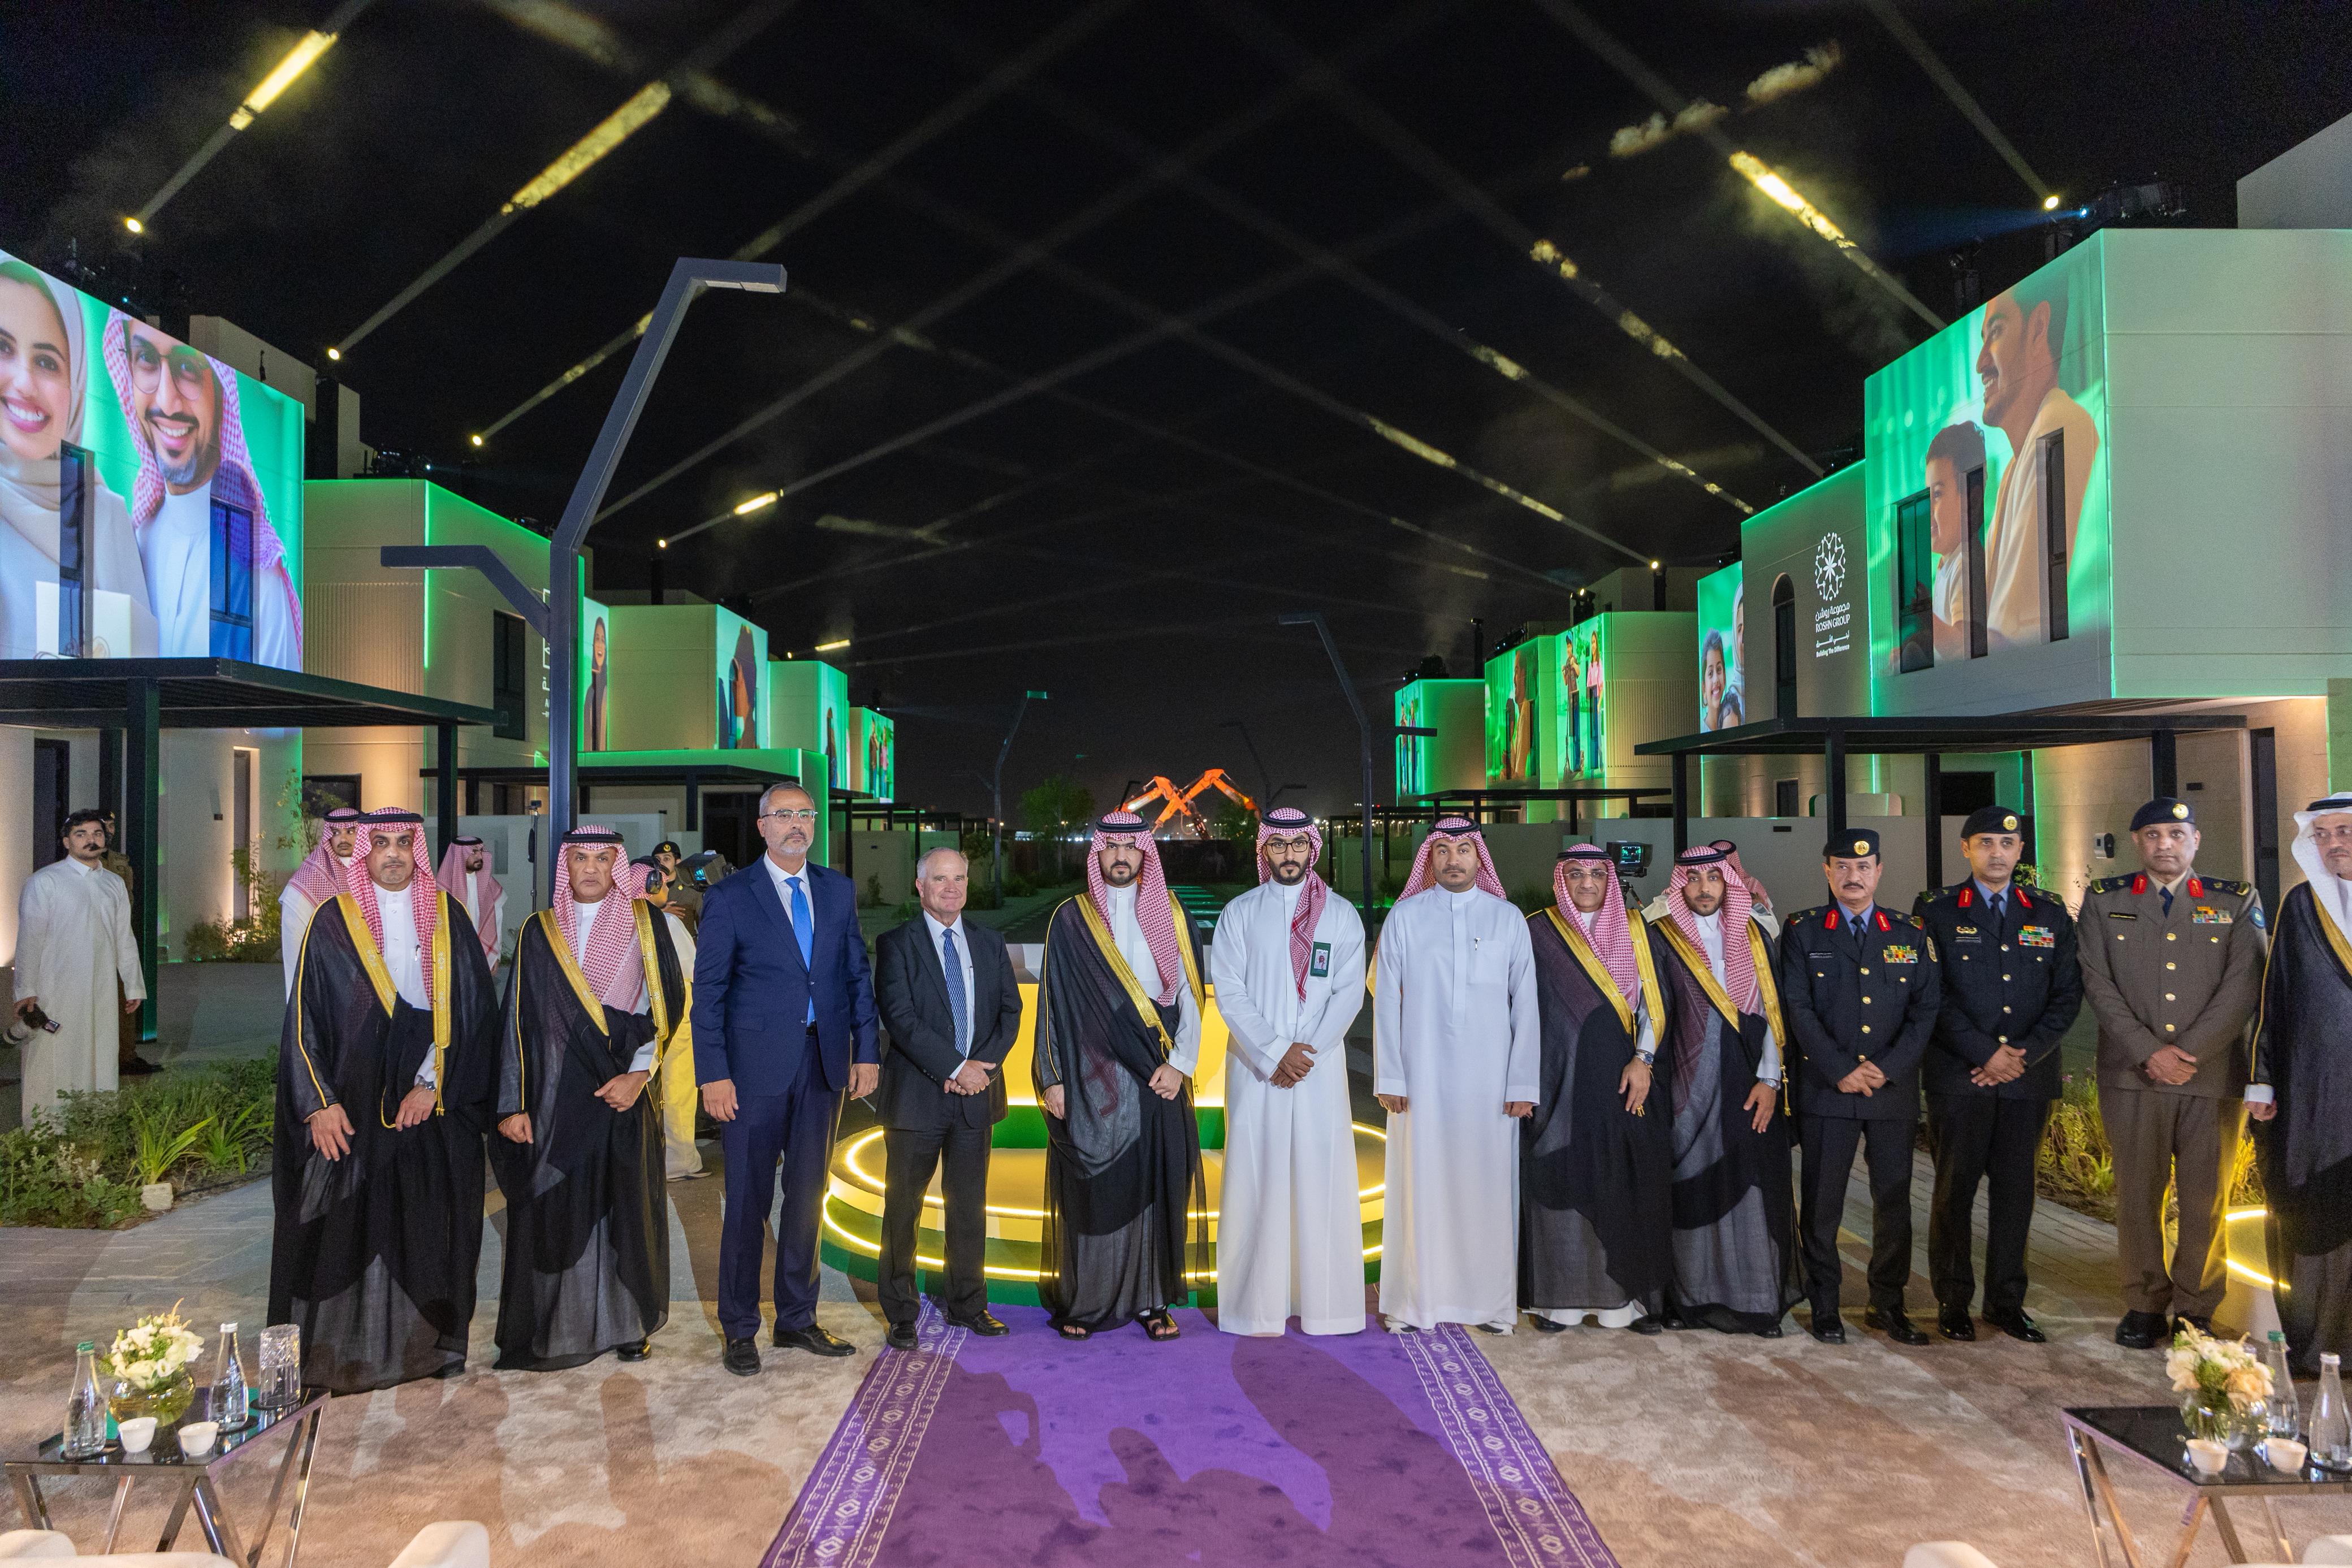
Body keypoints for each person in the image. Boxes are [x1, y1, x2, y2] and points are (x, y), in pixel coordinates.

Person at [268, 809, 498, 1394]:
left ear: (416, 849)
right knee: (339, 1225)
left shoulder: (448, 916)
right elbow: (303, 1018)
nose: (393, 853)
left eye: (403, 842)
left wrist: (432, 1083)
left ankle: (430, 1345)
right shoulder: (331, 918)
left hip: (429, 1100)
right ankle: (338, 1351)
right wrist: (318, 1102)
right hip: (351, 1101)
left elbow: (474, 1012)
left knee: (430, 1223)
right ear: (363, 852)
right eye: (381, 843)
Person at [692, 780, 878, 1376]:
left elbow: (856, 976)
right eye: (784, 815)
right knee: (747, 1202)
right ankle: (739, 1327)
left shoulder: (836, 889)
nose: (796, 824)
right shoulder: (730, 897)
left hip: (822, 1064)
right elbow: (709, 993)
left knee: (805, 1199)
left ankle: (797, 1318)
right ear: (762, 825)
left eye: (805, 814)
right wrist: (713, 1074)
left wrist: (867, 1052)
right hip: (750, 1074)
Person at [491, 828, 688, 1370]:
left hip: (622, 1090)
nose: (592, 869)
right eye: (581, 858)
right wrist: (512, 1104)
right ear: (566, 866)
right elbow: (516, 1019)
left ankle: (628, 1325)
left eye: (603, 858)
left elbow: (666, 1005)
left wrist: (639, 1076)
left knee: (625, 1210)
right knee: (556, 1209)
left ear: (616, 865)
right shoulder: (540, 930)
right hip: (554, 1096)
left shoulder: (646, 923)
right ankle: (555, 1322)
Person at [2079, 798, 2265, 1349]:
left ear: (2195, 840)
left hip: (2210, 1075)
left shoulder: (2234, 900)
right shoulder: (2104, 900)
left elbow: (2244, 984)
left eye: (2176, 834)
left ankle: (2195, 1307)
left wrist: (2186, 1052)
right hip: (2133, 1075)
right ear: (2137, 841)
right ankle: (2143, 1303)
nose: (2165, 843)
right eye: (2153, 834)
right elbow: (2096, 982)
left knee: (2206, 1198)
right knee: (2138, 1195)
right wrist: (2148, 1051)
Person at [1034, 812, 1208, 1341]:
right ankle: (1087, 1302)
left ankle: (1153, 1302)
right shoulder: (1071, 918)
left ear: (1145, 853)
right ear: (1098, 853)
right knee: (1097, 1189)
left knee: (1157, 1184)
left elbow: (1191, 996)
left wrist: (1180, 1066)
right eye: (1111, 847)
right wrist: (1053, 1078)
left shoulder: (1172, 913)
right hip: (1091, 1077)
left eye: (1131, 848)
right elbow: (1051, 1002)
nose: (1121, 857)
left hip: (1158, 1071)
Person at [1913, 807, 2080, 1342]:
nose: (1997, 853)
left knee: (2016, 1196)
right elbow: (1931, 992)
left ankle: (2007, 1303)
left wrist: (2019, 1056)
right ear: (1966, 849)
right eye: (1985, 843)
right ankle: (1953, 1301)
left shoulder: (2048, 912)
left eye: (2007, 844)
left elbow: (2067, 994)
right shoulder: (1937, 910)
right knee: (1953, 1193)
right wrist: (1985, 1054)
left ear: (2020, 850)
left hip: (2027, 1080)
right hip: (1960, 1076)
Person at [1373, 817, 1538, 1333]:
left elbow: (1526, 1005)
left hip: (1491, 1083)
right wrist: (1391, 1076)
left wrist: (1522, 1084)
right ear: (1430, 858)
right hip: (1420, 1078)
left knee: (1487, 1190)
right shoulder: (1405, 917)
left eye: (1464, 849)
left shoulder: (1507, 919)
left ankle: (1489, 1305)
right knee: (1419, 1185)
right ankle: (1414, 1303)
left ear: (1478, 858)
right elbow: (1385, 1001)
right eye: (1442, 850)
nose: (1453, 860)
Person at [1210, 807, 1368, 1337]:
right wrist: (1277, 1051)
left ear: (1312, 848)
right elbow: (1229, 992)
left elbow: (1348, 995)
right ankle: (1255, 1308)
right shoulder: (1240, 913)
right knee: (1257, 1180)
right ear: (1264, 851)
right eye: (1278, 845)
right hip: (1257, 1070)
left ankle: (1327, 1308)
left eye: (1298, 844)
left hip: (1317, 1071)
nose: (1288, 855)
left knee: (1321, 1179)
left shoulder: (1341, 915)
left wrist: (1305, 1055)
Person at [1780, 829, 1941, 1346]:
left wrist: (1886, 1068)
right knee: (1822, 1204)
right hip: (1828, 1090)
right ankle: (1825, 1305)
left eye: (1864, 867)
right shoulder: (1803, 931)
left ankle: (1887, 1305)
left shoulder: (1909, 932)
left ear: (1879, 871)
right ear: (1827, 871)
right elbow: (1797, 1008)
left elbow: (1926, 1010)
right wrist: (1839, 1069)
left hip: (1890, 1092)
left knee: (1894, 1202)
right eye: (1843, 867)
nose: (1854, 876)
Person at [872, 847, 1022, 1349]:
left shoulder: (989, 942)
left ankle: (968, 1304)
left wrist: (981, 1069)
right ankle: (901, 1312)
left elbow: (1010, 1012)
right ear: (920, 886)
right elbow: (900, 1018)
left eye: (959, 878)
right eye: (940, 879)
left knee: (968, 1207)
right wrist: (956, 1068)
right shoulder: (896, 944)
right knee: (903, 1209)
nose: (952, 888)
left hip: (976, 1098)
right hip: (917, 1099)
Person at [1646, 844, 1798, 1336]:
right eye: (1693, 879)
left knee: (1751, 1187)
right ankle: (1688, 1300)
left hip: (1749, 1083)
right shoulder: (1662, 936)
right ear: (1680, 885)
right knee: (1690, 1188)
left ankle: (1756, 1302)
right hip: (1686, 1087)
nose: (1704, 888)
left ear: (1728, 883)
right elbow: (1652, 1011)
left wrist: (1770, 1080)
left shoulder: (1755, 934)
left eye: (1713, 878)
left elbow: (1773, 1013)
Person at [1521, 845, 1672, 1333]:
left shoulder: (1635, 929)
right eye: (1575, 874)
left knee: (1622, 1184)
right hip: (1556, 1080)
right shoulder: (1537, 930)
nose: (1587, 883)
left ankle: (1624, 1302)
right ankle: (1559, 1303)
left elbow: (1653, 1005)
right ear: (1561, 880)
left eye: (1596, 874)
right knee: (1561, 1182)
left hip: (1624, 1082)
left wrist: (1644, 1060)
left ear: (1610, 881)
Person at [102, 309, 301, 666]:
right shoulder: (133, 544)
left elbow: (274, 704)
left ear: (221, 394)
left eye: (187, 368)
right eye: (146, 359)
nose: (166, 401)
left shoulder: (257, 578)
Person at [0, 256, 154, 662]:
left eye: (46, 362)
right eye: (3, 347)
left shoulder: (102, 513)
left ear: (77, 383)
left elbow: (143, 667)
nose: (24, 383)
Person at [2251, 797, 2352, 1374]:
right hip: (2316, 1092)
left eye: (2344, 830)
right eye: (2322, 833)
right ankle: (2316, 1348)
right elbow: (2276, 998)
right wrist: (2262, 1080)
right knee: (2315, 1208)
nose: (2333, 842)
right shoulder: (2300, 904)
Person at [1975, 281, 2098, 650]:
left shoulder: (2059, 426)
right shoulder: (2014, 470)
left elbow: (2017, 640)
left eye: (1996, 332)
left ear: (2039, 327)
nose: (1981, 364)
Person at [14, 809, 145, 1120]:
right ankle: (45, 1130)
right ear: (66, 842)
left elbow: (124, 938)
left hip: (101, 989)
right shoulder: (45, 881)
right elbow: (30, 939)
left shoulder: (114, 884)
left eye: (97, 834)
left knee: (101, 1052)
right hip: (56, 988)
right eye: (81, 834)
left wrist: (134, 985)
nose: (91, 840)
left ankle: (96, 1125)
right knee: (51, 1056)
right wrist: (26, 989)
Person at [280, 807, 362, 999]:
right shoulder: (313, 875)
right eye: (336, 833)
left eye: (350, 832)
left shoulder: (367, 867)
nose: (343, 839)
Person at [1925, 423, 1986, 663]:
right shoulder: (1947, 563)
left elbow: (1962, 644)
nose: (1928, 508)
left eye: (1937, 494)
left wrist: (1923, 615)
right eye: (1927, 496)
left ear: (1972, 498)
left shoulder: (1964, 563)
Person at [436, 835, 505, 967]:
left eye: (481, 851)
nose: (480, 856)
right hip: (451, 957)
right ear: (459, 855)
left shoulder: (490, 887)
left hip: (480, 954)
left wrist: (496, 956)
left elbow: (497, 922)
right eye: (474, 852)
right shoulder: (443, 888)